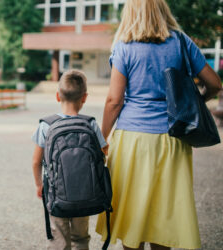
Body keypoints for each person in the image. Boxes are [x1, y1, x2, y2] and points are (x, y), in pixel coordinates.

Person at [95, 0, 222, 249]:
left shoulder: (124, 46)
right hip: (171, 138)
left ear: (130, 11)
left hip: (132, 140)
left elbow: (114, 100)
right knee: (163, 216)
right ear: (162, 8)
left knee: (133, 215)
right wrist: (193, 103)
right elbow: (215, 84)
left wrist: (101, 137)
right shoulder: (181, 42)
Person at [31, 70, 108, 249]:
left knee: (59, 239)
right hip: (85, 195)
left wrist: (39, 185)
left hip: (57, 195)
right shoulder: (91, 124)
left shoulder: (46, 125)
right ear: (85, 97)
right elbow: (102, 155)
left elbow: (36, 161)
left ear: (58, 96)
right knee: (80, 239)